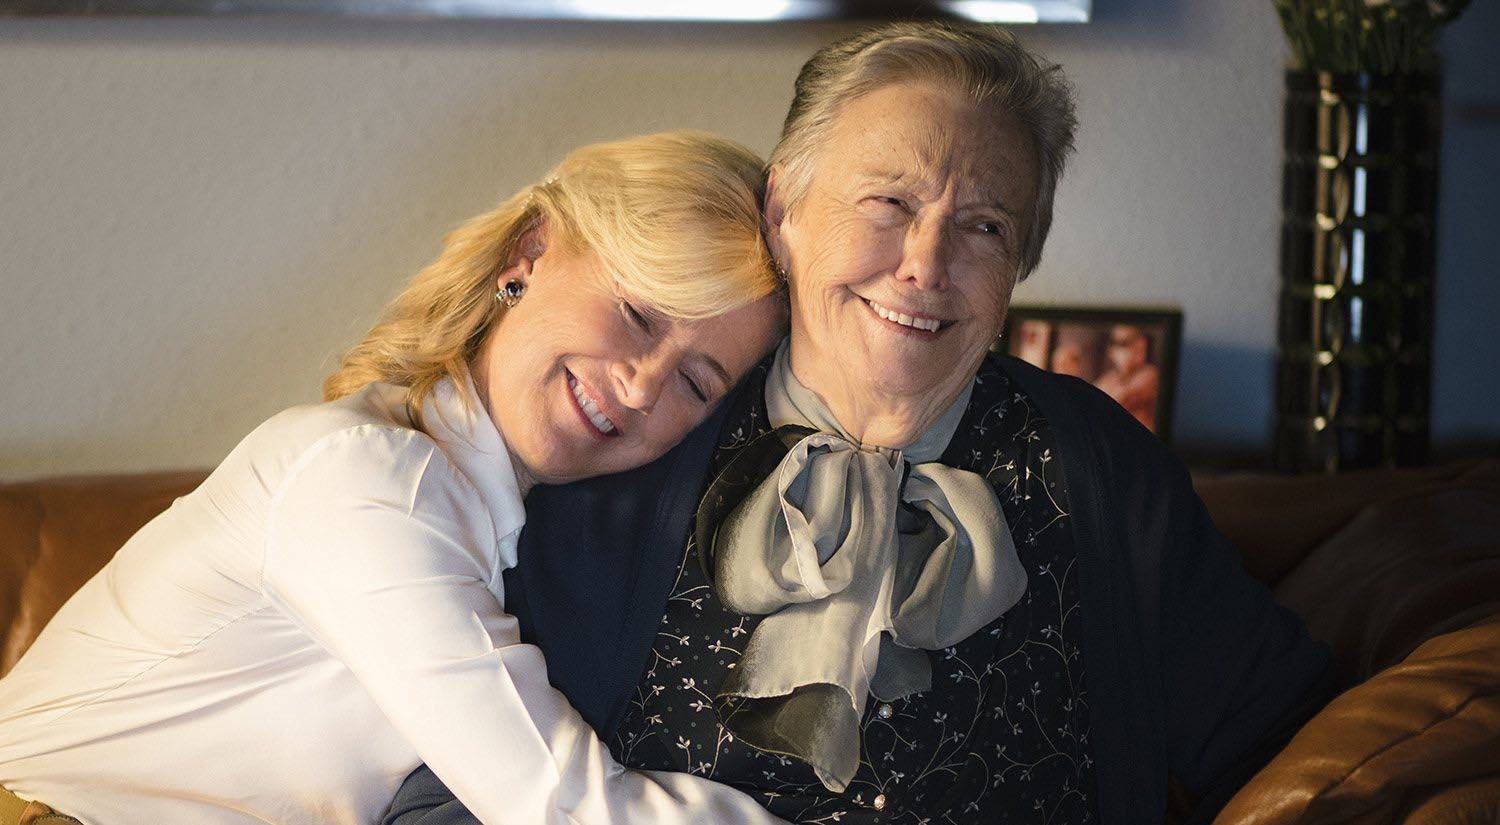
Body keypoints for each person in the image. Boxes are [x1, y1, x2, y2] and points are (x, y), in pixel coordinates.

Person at [387, 22, 1333, 825]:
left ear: (1020, 266)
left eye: (986, 226)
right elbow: (447, 790)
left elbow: (1288, 738)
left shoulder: (1098, 470)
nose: (925, 264)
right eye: (889, 202)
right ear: (784, 212)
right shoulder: (643, 438)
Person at [0, 131, 797, 825]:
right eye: (637, 314)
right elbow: (561, 803)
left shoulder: (506, 530)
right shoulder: (372, 478)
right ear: (529, 253)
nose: (641, 385)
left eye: (694, 382)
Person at [1093, 324, 1161, 430]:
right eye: (1119, 344)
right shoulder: (1109, 378)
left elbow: (1120, 401)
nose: (1123, 351)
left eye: (1127, 343)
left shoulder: (1149, 374)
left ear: (1142, 345)